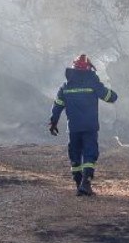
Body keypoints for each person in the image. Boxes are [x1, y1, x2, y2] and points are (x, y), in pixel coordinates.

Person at [48, 54, 118, 195]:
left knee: (75, 154)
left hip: (73, 128)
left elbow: (57, 105)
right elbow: (109, 97)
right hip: (90, 127)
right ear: (88, 69)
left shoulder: (65, 86)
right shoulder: (92, 82)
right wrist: (113, 93)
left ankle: (78, 184)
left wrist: (53, 122)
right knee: (89, 154)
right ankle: (85, 183)